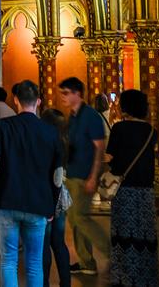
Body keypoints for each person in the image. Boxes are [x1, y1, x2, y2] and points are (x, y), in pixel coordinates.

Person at [0, 81, 64, 287]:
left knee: (9, 260)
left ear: (16, 100)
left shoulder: (3, 127)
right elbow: (57, 176)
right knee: (34, 263)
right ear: (38, 101)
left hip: (7, 200)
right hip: (39, 203)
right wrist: (52, 206)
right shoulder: (50, 132)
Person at [105, 90, 159, 287]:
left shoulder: (119, 128)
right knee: (144, 232)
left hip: (124, 189)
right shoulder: (152, 131)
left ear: (125, 106)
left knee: (123, 233)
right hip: (145, 190)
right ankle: (147, 278)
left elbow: (110, 157)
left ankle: (124, 277)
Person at [58, 76, 110, 276]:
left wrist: (93, 176)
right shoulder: (72, 116)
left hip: (84, 175)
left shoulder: (90, 116)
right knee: (74, 219)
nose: (62, 97)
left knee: (81, 217)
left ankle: (110, 251)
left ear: (77, 94)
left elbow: (99, 147)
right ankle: (86, 262)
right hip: (72, 173)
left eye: (66, 93)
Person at [40, 109, 71, 287]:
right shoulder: (65, 141)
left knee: (44, 244)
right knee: (59, 243)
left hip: (47, 194)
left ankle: (44, 283)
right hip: (62, 194)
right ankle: (65, 282)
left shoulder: (46, 142)